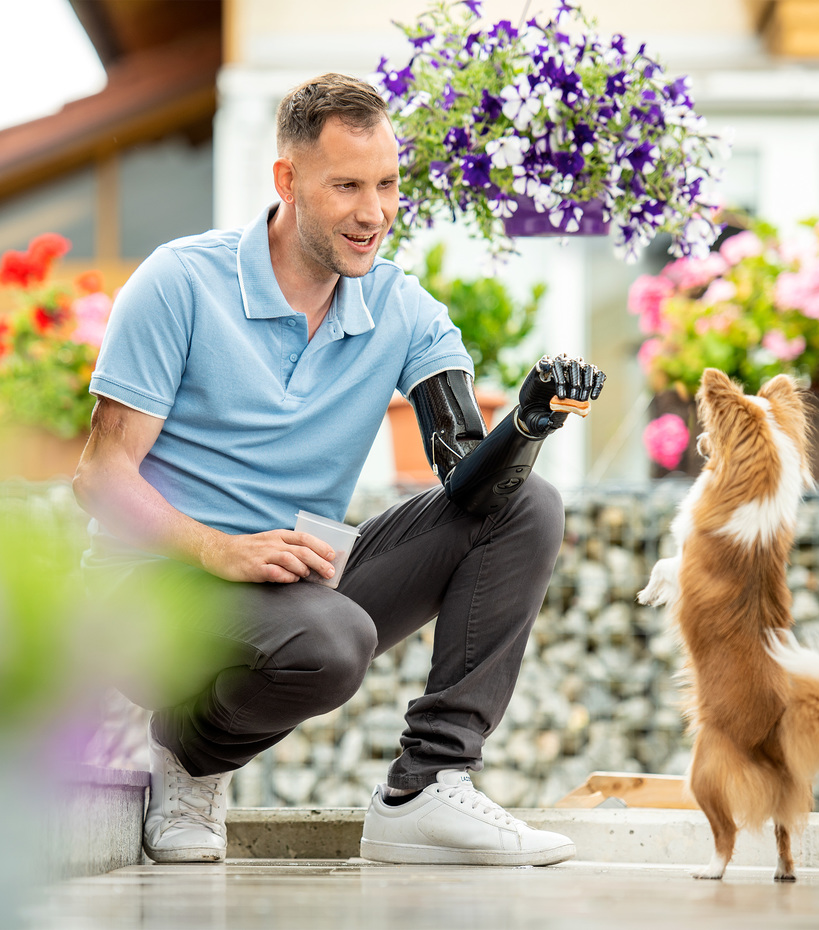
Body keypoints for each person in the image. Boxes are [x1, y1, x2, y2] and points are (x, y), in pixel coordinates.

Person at [73, 73, 605, 868]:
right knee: (333, 640)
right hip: (149, 594)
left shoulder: (405, 309)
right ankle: (189, 756)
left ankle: (426, 786)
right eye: (347, 186)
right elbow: (101, 476)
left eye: (387, 184)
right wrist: (223, 550)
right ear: (287, 180)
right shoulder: (181, 282)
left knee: (527, 504)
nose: (373, 213)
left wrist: (526, 424)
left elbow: (471, 480)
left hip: (289, 583)